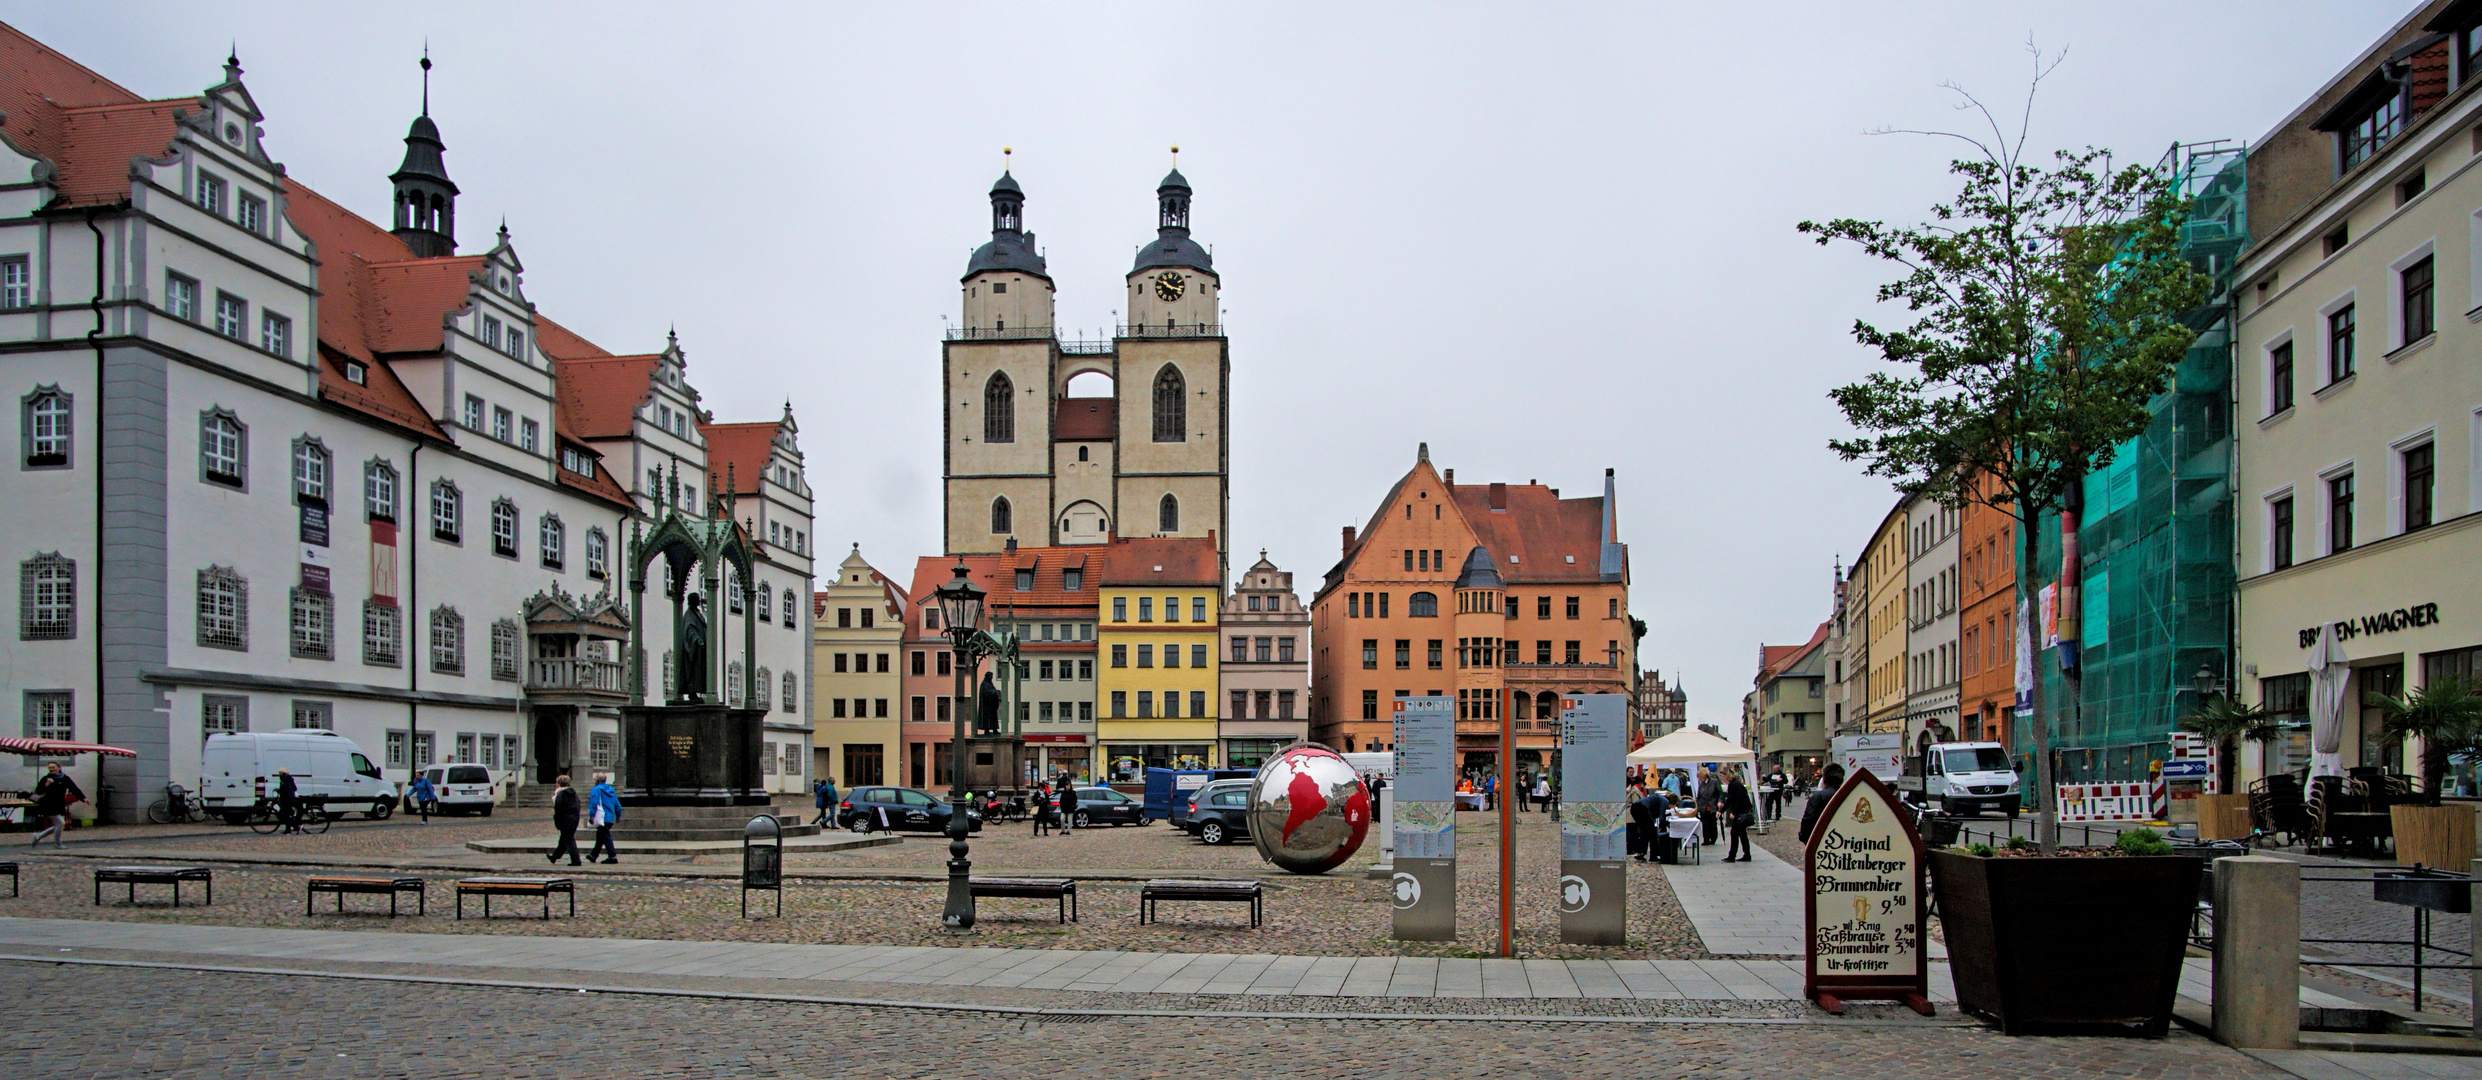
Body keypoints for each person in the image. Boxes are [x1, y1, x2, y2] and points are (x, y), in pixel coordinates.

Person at [28, 761, 82, 847]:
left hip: (59, 804)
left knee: (58, 825)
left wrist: (83, 798)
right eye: (50, 768)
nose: (51, 769)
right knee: (60, 823)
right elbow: (38, 791)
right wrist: (47, 784)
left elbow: (73, 788)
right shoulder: (46, 778)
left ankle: (38, 836)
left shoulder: (64, 778)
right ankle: (58, 843)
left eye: (53, 767)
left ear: (59, 768)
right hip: (48, 804)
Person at [1799, 763, 1847, 844]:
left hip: (1821, 841)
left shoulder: (1818, 797)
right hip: (1843, 840)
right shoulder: (1847, 795)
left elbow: (1808, 820)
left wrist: (1805, 838)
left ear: (1824, 779)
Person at [587, 772, 622, 865]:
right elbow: (617, 804)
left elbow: (594, 803)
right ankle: (593, 855)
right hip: (609, 817)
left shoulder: (596, 789)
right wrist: (618, 815)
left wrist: (591, 815)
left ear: (597, 781)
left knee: (606, 837)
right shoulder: (611, 789)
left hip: (601, 817)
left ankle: (612, 856)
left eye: (594, 779)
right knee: (600, 837)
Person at [1722, 767, 1756, 862]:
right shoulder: (1732, 785)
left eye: (1723, 776)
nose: (1722, 778)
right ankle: (1746, 854)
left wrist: (1734, 812)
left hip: (1742, 812)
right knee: (1741, 834)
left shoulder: (1735, 785)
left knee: (1735, 833)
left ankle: (1732, 856)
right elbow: (1729, 800)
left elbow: (1739, 799)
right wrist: (1721, 811)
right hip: (1740, 812)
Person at [547, 774, 582, 866]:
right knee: (563, 840)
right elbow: (578, 806)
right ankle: (554, 857)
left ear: (559, 783)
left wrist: (557, 821)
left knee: (569, 840)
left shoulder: (560, 795)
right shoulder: (574, 794)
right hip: (574, 819)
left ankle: (576, 860)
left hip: (565, 820)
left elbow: (558, 809)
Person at [275, 767, 302, 835]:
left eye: (279, 772)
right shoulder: (290, 779)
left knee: (285, 814)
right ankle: (288, 830)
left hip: (286, 799)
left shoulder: (284, 780)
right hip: (291, 798)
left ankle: (297, 826)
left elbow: (284, 789)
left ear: (282, 773)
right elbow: (295, 788)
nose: (279, 774)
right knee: (287, 814)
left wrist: (278, 790)